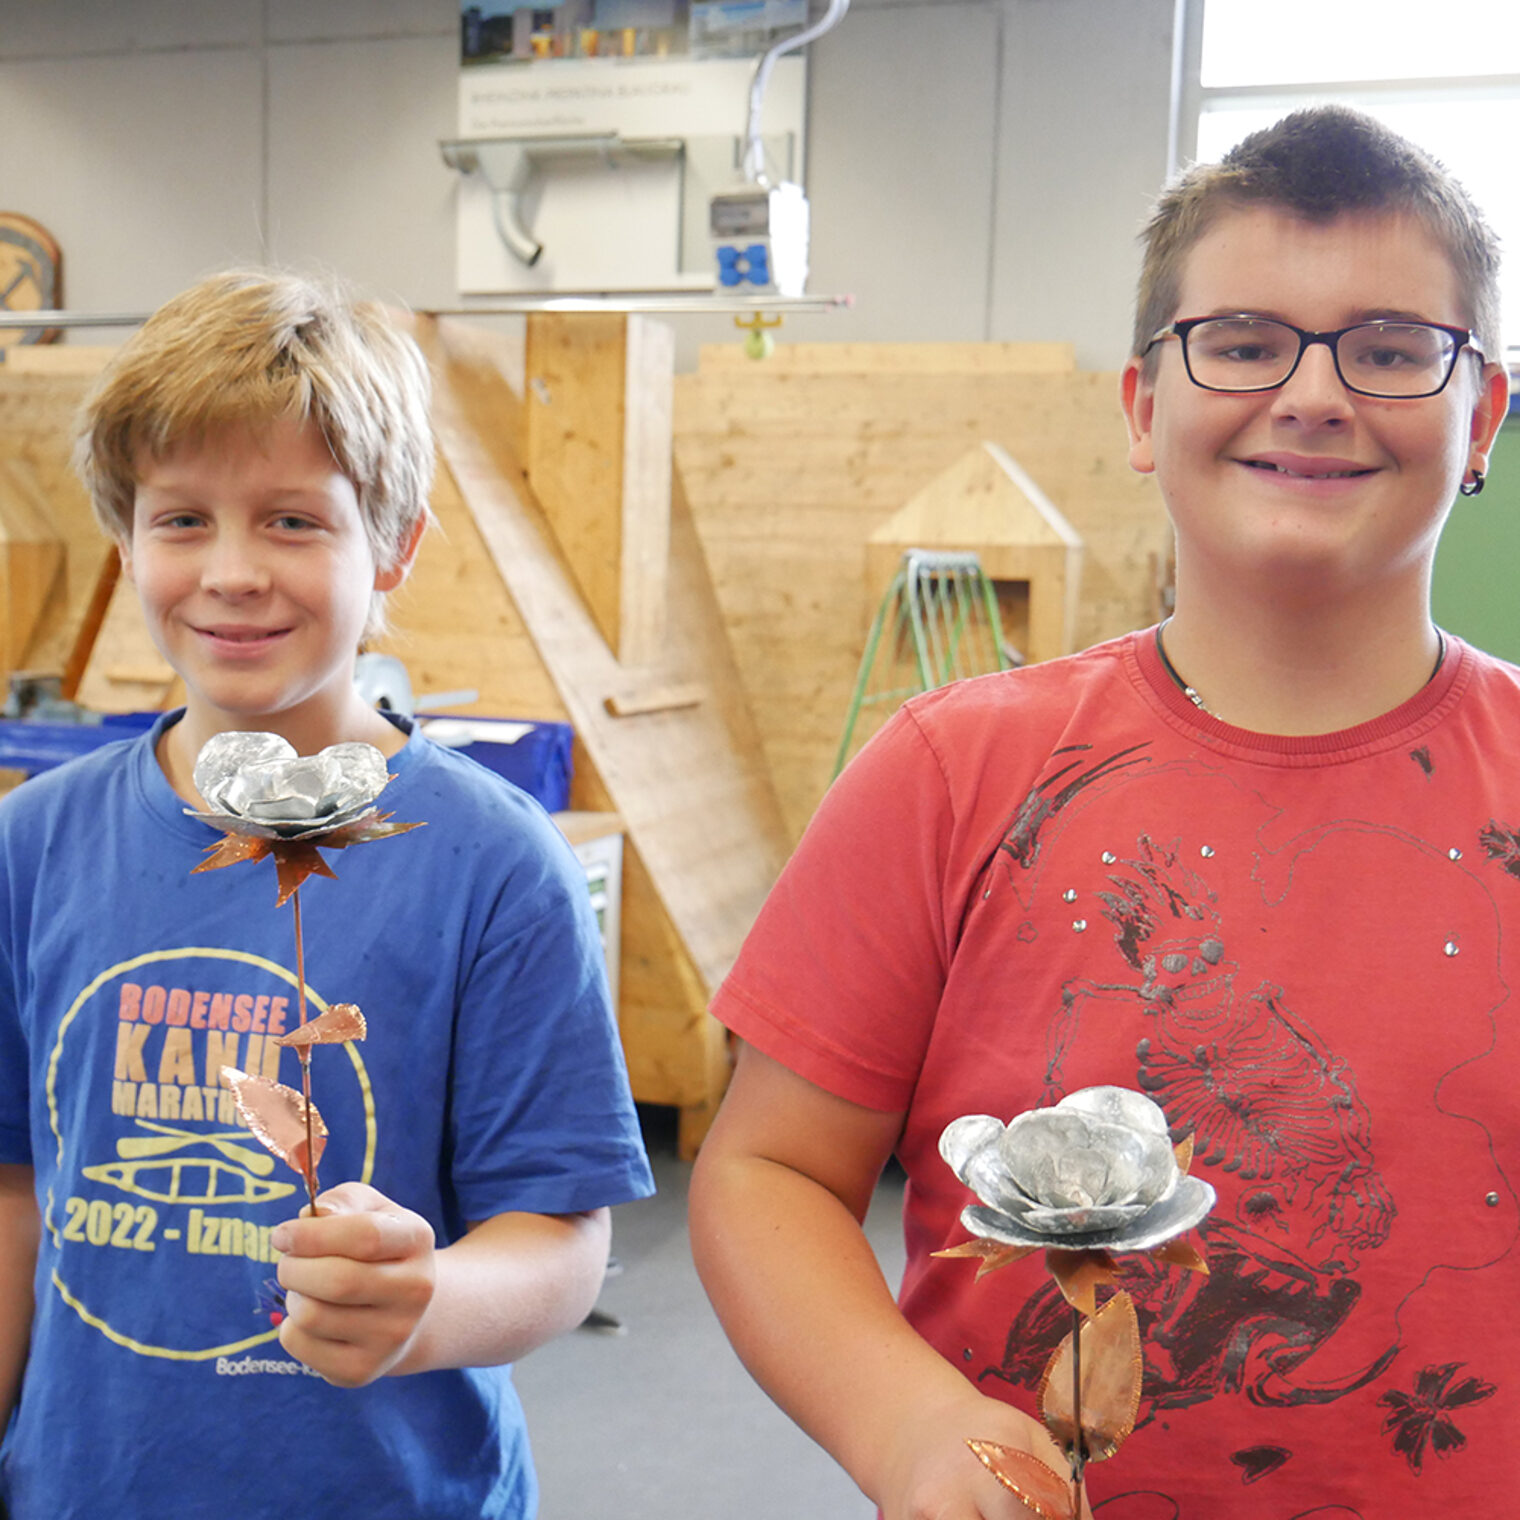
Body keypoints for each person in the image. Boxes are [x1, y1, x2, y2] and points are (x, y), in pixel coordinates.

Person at [689, 105, 1514, 1519]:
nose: (1312, 394)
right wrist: (904, 1429)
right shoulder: (952, 774)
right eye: (1245, 342)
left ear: (1482, 415)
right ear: (1144, 407)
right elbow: (766, 1172)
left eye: (1388, 350)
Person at [0, 269, 653, 1518]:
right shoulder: (32, 846)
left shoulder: (492, 863)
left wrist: (426, 1306)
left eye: (294, 520)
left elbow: (562, 1245)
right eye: (181, 518)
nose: (233, 571)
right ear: (126, 537)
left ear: (395, 541)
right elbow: (12, 1186)